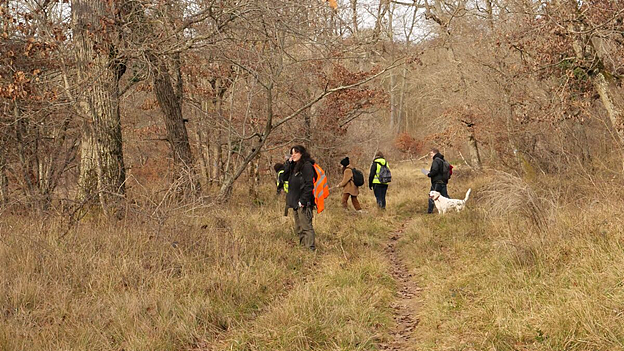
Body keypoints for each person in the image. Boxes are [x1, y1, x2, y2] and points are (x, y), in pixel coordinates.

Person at [283, 145, 316, 251]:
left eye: (296, 153)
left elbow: (309, 185)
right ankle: (303, 247)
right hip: (295, 202)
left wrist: (303, 200)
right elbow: (283, 177)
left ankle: (310, 249)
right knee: (299, 227)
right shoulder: (294, 166)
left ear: (301, 153)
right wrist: (288, 164)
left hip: (304, 202)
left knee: (306, 227)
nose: (293, 155)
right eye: (292, 153)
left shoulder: (306, 166)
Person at [427, 148, 451, 214]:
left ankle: (429, 212)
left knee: (431, 196)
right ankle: (452, 207)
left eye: (431, 153)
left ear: (435, 153)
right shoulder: (442, 160)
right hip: (443, 181)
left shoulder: (436, 160)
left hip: (436, 182)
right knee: (445, 196)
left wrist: (429, 174)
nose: (430, 155)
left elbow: (435, 171)